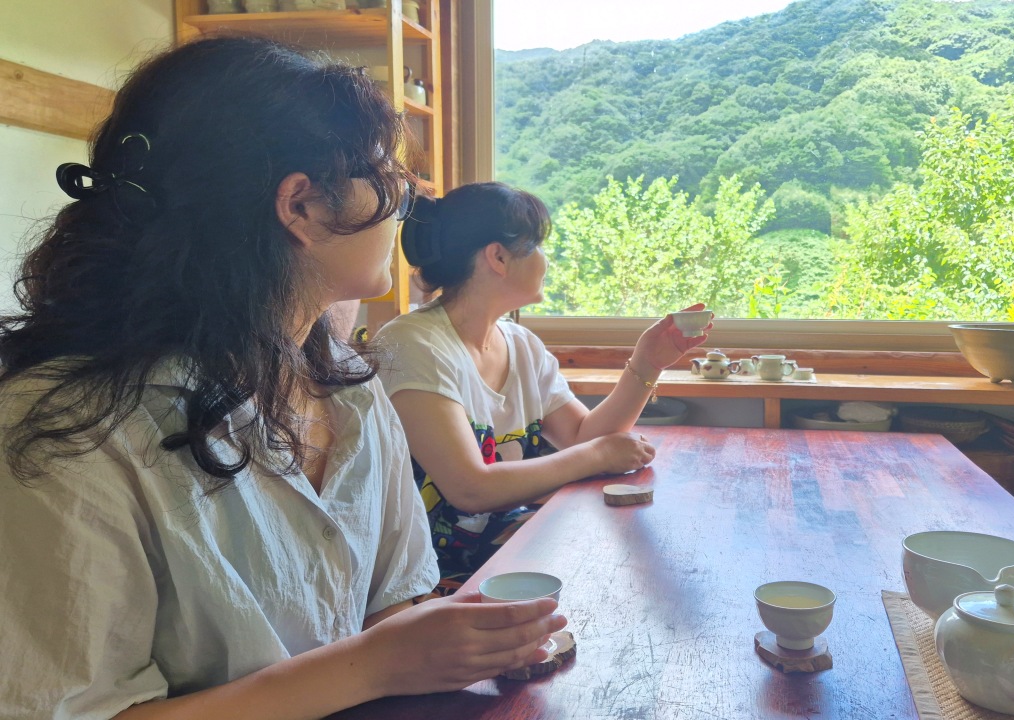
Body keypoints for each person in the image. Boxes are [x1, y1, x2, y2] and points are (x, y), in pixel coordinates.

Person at [0, 37, 565, 720]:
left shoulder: (352, 390)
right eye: (386, 175)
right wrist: (375, 666)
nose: (404, 203)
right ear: (301, 206)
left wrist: (462, 646)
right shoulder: (65, 435)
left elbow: (394, 604)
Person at [375, 182, 710, 587]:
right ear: (498, 257)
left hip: (512, 552)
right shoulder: (412, 344)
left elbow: (583, 436)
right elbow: (470, 489)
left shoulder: (521, 344)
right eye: (536, 246)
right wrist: (598, 455)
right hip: (436, 580)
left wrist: (648, 362)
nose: (545, 260)